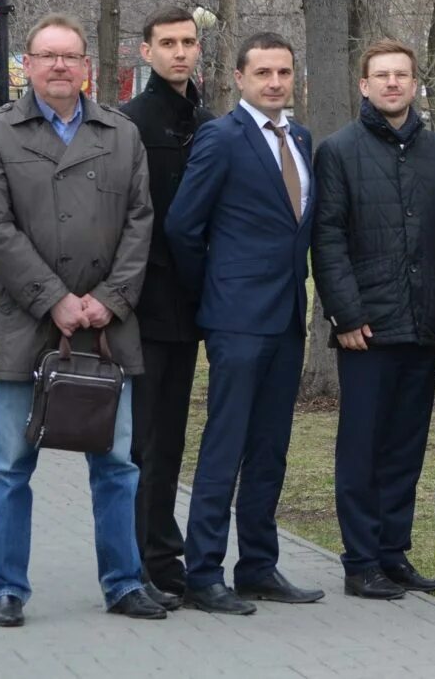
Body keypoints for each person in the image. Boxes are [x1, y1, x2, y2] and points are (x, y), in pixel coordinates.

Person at [0, 13, 164, 626]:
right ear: (26, 64)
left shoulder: (121, 133)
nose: (60, 65)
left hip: (106, 326)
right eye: (48, 55)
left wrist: (109, 298)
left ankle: (124, 582)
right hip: (25, 322)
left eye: (70, 56)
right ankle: (5, 587)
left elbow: (141, 222)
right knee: (11, 465)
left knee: (116, 463)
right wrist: (54, 298)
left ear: (87, 66)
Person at [166, 31, 324, 615]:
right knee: (225, 446)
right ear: (240, 78)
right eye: (263, 74)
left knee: (270, 448)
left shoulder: (301, 138)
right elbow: (184, 226)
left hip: (286, 319)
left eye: (283, 72)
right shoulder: (222, 137)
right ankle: (203, 573)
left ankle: (257, 565)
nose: (275, 83)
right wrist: (214, 293)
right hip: (236, 319)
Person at [312, 40, 435, 600]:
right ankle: (360, 560)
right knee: (362, 446)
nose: (391, 84)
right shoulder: (338, 150)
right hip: (367, 328)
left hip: (425, 321)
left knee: (407, 445)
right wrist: (346, 314)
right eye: (380, 75)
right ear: (364, 85)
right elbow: (327, 239)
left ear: (414, 85)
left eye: (401, 75)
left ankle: (393, 552)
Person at [118, 7, 216, 610]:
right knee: (144, 439)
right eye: (168, 43)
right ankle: (141, 558)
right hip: (145, 299)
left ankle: (162, 550)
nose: (179, 52)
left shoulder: (207, 121)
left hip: (191, 301)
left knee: (172, 434)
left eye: (188, 42)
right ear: (146, 51)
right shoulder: (129, 123)